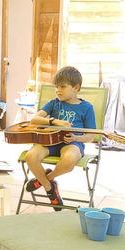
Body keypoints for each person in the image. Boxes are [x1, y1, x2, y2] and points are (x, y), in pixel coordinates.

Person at [24, 66, 96, 211]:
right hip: (48, 141)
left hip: (72, 143)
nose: (58, 90)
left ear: (76, 87)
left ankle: (45, 180)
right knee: (30, 156)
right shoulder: (53, 103)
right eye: (56, 87)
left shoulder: (87, 107)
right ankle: (50, 188)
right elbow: (35, 119)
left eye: (62, 86)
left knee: (69, 159)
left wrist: (77, 137)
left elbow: (92, 135)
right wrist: (54, 121)